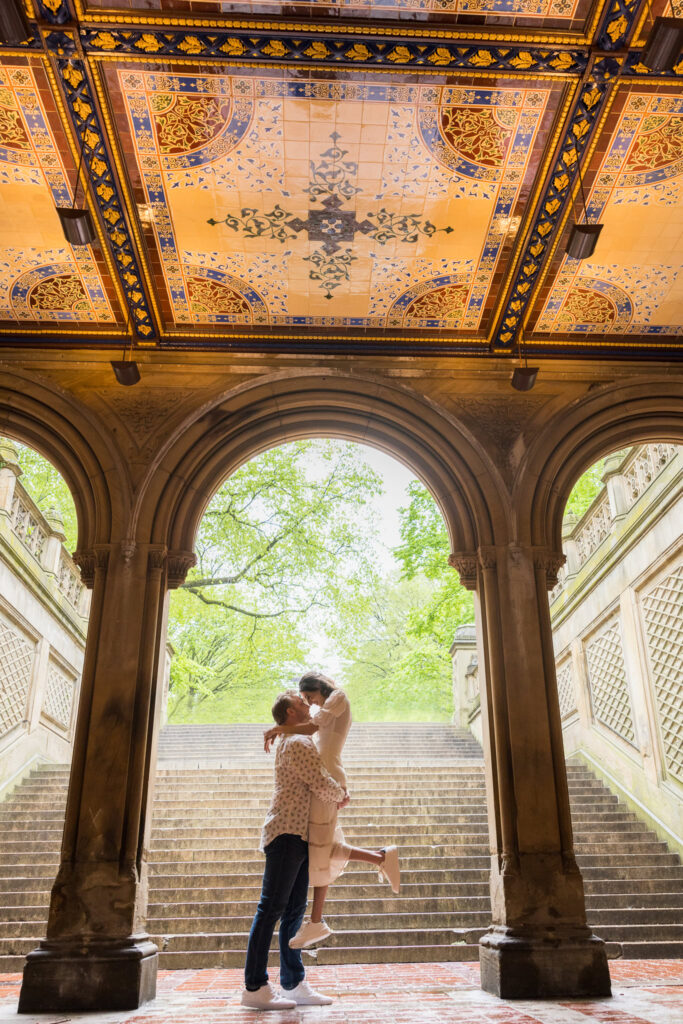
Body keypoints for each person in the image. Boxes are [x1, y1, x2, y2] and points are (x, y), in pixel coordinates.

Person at [263, 671, 400, 949]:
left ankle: (317, 920)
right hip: (323, 778)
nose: (310, 703)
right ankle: (379, 858)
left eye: (309, 697)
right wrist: (283, 730)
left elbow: (313, 727)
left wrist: (279, 729)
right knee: (321, 844)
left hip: (327, 778)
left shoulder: (337, 697)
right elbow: (313, 728)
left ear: (317, 688)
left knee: (321, 845)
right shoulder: (326, 706)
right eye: (305, 700)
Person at [241, 690, 348, 1010]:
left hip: (297, 834)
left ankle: (292, 982)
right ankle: (254, 987)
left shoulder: (294, 739)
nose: (309, 705)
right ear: (289, 712)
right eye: (302, 703)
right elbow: (319, 780)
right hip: (286, 834)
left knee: (292, 913)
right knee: (271, 909)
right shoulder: (297, 743)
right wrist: (340, 793)